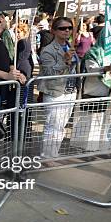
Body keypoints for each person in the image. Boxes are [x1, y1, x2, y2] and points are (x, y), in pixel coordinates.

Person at [38, 17, 79, 158]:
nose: (67, 30)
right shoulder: (47, 50)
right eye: (62, 28)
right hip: (55, 92)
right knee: (53, 126)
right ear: (53, 31)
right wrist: (65, 60)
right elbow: (49, 73)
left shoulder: (70, 46)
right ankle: (47, 156)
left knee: (61, 126)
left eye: (69, 28)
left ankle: (53, 153)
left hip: (70, 91)